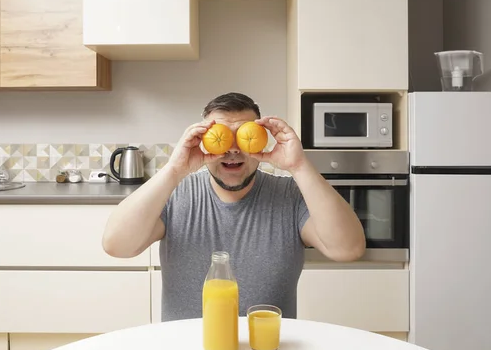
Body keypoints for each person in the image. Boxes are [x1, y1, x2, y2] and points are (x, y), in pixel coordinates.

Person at [102, 92, 365, 322]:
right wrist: (174, 170)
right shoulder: (174, 194)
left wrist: (299, 166)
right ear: (205, 140)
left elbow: (348, 249)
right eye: (224, 137)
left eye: (244, 136)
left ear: (260, 139)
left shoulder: (290, 196)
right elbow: (117, 245)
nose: (233, 150)